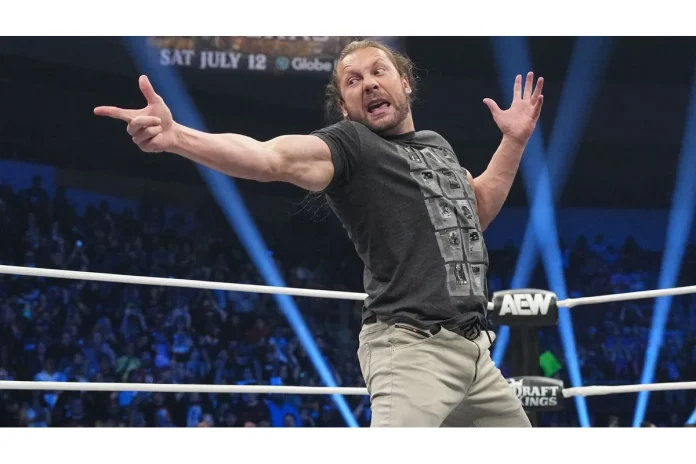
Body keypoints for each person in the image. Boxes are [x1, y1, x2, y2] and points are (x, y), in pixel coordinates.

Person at [94, 39, 544, 427]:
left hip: (475, 354)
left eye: (379, 71)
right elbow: (269, 158)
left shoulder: (437, 145)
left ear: (405, 83)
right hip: (414, 350)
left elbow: (475, 213)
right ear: (345, 107)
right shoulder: (353, 145)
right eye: (353, 80)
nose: (368, 83)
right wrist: (177, 137)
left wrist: (514, 141)